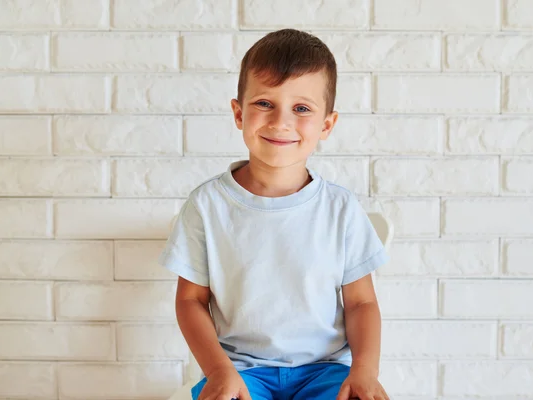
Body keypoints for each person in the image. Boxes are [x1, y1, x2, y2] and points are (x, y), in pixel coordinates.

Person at [159, 28, 390, 400]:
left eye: (301, 108)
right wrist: (219, 371)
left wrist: (364, 370)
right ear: (238, 112)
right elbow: (190, 301)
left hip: (325, 371)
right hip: (240, 370)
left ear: (327, 124)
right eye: (265, 103)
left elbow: (362, 302)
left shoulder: (341, 209)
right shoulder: (206, 205)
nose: (281, 122)